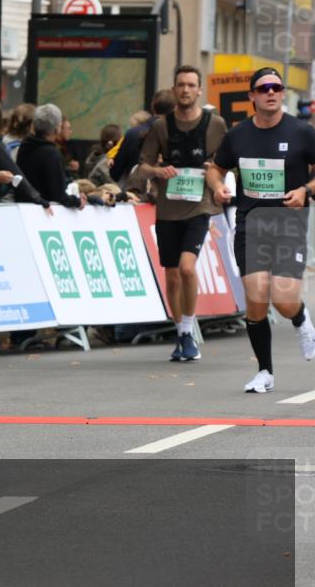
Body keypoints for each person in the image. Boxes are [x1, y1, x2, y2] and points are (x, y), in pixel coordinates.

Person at [206, 67, 315, 393]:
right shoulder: (237, 135)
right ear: (252, 95)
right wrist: (217, 187)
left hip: (288, 223)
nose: (271, 92)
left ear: (282, 93)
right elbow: (215, 169)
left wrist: (305, 190)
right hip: (251, 225)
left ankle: (301, 319)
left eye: (276, 88)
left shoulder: (302, 132)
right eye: (264, 88)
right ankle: (264, 372)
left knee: (283, 299)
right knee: (255, 297)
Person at [137, 65, 228, 362]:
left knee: (187, 268)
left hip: (200, 206)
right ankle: (181, 333)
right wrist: (158, 171)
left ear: (199, 90)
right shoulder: (161, 126)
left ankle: (188, 331)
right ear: (174, 89)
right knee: (173, 276)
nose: (186, 90)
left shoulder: (215, 124)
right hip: (168, 208)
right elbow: (143, 166)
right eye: (181, 85)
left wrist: (214, 169)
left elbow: (228, 162)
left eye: (191, 85)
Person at [15, 104, 85, 209]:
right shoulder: (52, 154)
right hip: (45, 211)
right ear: (56, 128)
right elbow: (58, 195)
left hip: (23, 208)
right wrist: (77, 201)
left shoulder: (25, 146)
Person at [111, 89, 176, 188]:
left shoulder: (132, 134)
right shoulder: (177, 134)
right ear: (175, 109)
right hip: (169, 190)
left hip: (136, 192)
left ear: (152, 106)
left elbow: (115, 173)